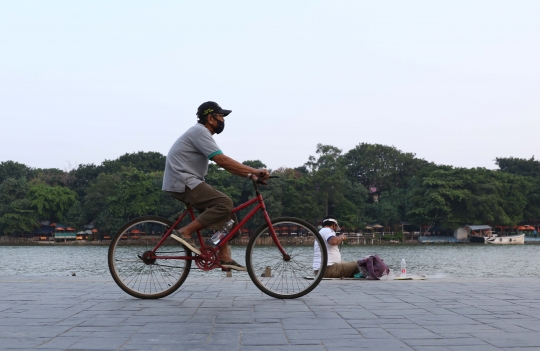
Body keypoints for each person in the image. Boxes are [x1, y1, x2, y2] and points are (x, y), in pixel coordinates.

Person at [162, 101, 269, 271]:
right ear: (210, 118)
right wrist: (254, 170)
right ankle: (184, 232)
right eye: (221, 117)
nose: (223, 121)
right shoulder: (200, 132)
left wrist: (251, 176)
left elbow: (225, 163)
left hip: (186, 181)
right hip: (183, 181)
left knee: (227, 216)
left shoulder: (201, 133)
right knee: (224, 203)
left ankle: (225, 258)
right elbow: (222, 161)